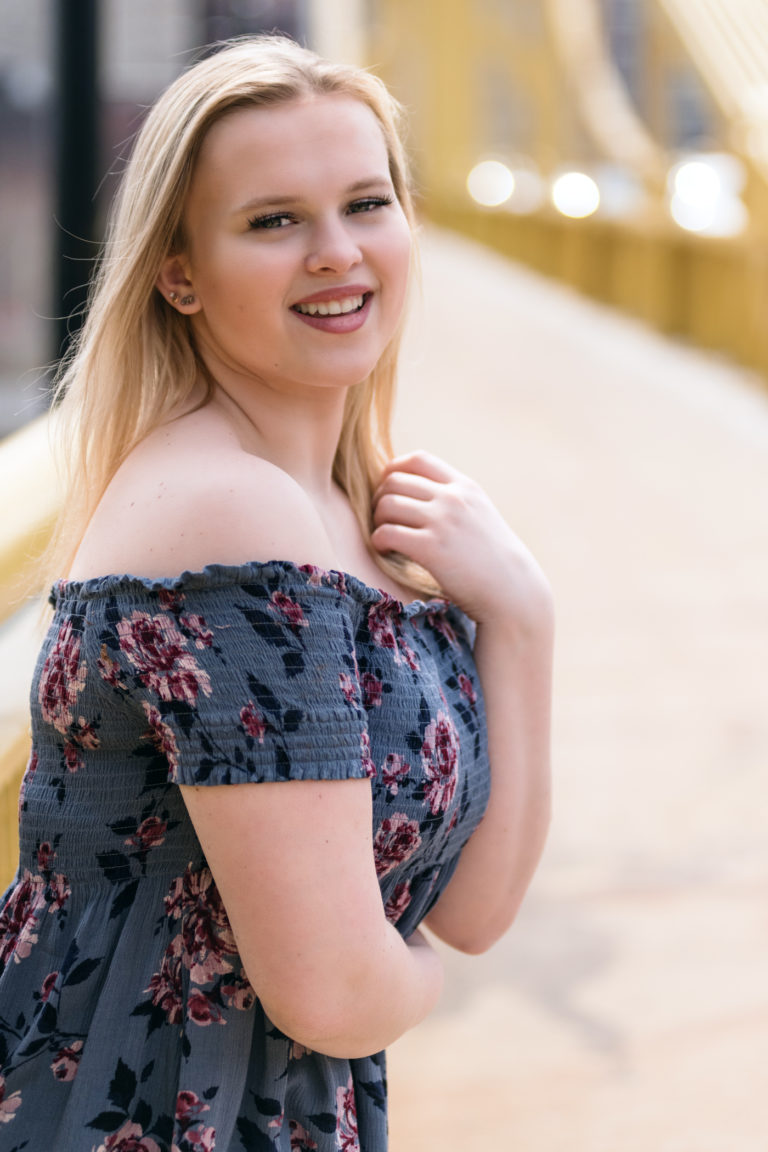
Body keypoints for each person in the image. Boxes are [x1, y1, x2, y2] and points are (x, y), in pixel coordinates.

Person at [0, 35, 553, 1152]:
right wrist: (409, 973)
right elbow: (341, 995)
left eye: (366, 202)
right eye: (274, 221)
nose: (337, 253)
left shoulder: (354, 510)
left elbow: (474, 910)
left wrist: (524, 617)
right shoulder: (228, 520)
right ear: (180, 273)